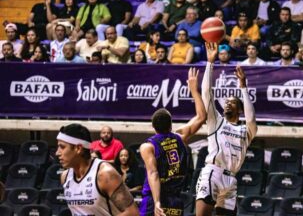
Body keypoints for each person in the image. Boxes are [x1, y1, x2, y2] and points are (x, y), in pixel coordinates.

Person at [196, 42, 257, 216]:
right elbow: (207, 93)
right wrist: (210, 63)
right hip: (213, 172)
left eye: (232, 102)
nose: (227, 103)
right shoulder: (217, 121)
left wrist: (243, 87)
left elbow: (251, 118)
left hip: (231, 179)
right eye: (226, 102)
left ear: (239, 109)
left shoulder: (246, 130)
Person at [139, 67, 206, 216]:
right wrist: (194, 90)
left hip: (154, 199)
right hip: (175, 199)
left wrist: (157, 202)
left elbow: (153, 174)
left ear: (153, 127)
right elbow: (202, 117)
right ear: (170, 125)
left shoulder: (148, 146)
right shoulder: (180, 137)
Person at [56, 123, 139, 215]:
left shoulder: (105, 174)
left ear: (78, 148)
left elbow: (132, 213)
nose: (57, 153)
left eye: (62, 147)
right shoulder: (65, 176)